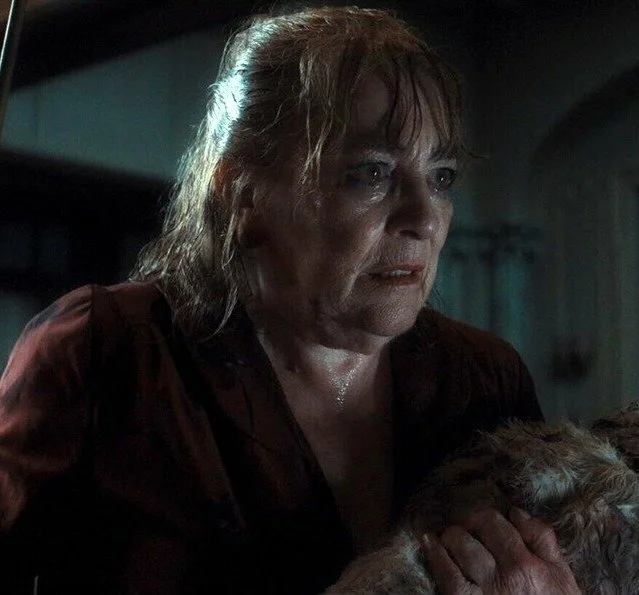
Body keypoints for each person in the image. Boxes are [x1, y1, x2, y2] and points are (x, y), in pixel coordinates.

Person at [0, 7, 580, 594]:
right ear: (242, 192)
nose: (424, 217)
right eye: (371, 172)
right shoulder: (107, 352)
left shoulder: (482, 381)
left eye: (442, 176)